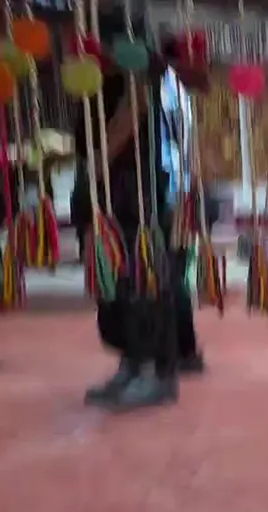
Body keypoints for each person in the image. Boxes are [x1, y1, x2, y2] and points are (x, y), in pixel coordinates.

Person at [73, 8, 201, 411]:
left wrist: (100, 162)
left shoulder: (138, 58)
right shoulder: (97, 57)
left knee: (142, 279)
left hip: (135, 191)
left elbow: (136, 107)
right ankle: (131, 362)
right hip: (107, 189)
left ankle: (155, 372)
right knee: (115, 283)